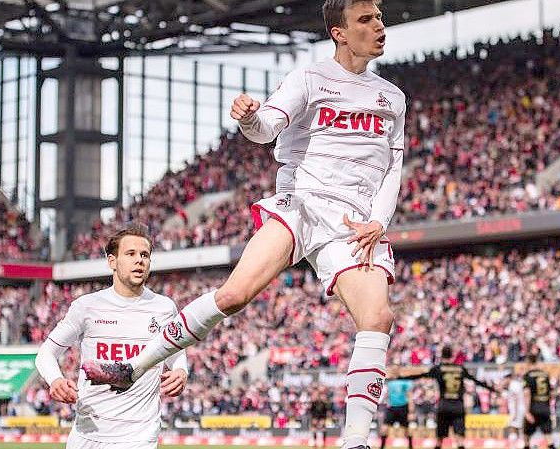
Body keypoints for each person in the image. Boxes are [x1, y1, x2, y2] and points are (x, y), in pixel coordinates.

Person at [83, 2, 405, 449]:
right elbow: (266, 128)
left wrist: (378, 220)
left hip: (354, 224)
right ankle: (133, 368)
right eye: (366, 20)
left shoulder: (392, 97)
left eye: (379, 17)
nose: (379, 27)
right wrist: (250, 116)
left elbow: (393, 166)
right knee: (233, 296)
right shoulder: (309, 79)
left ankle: (356, 441)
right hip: (302, 206)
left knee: (379, 317)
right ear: (339, 33)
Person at [35, 225, 188, 449]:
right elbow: (45, 353)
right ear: (112, 262)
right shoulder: (87, 306)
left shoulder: (164, 308)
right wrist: (55, 380)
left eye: (145, 255)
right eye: (131, 254)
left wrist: (181, 370)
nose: (140, 261)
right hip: (88, 434)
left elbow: (176, 350)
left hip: (139, 436)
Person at [395, 347, 495, 449]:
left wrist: (400, 378)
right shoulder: (460, 369)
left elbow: (421, 376)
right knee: (460, 439)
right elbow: (476, 381)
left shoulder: (438, 369)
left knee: (439, 439)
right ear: (452, 355)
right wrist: (492, 389)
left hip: (444, 406)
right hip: (458, 406)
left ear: (441, 355)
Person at [521, 354, 555, 449]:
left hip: (533, 408)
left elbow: (527, 393)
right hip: (545, 408)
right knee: (549, 437)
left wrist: (527, 412)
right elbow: (552, 393)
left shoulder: (528, 376)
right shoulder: (545, 375)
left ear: (528, 362)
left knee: (526, 436)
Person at [380, 378, 415, 449]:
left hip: (403, 407)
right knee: (384, 428)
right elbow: (387, 394)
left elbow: (410, 396)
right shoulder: (389, 382)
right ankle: (382, 447)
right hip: (391, 408)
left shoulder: (406, 381)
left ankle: (411, 446)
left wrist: (411, 412)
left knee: (407, 430)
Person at [504, 372, 525, 443]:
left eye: (504, 379)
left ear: (508, 378)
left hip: (517, 409)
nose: (504, 381)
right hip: (518, 409)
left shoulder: (513, 385)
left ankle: (514, 445)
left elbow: (516, 399)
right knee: (519, 428)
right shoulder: (515, 384)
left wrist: (515, 413)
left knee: (513, 428)